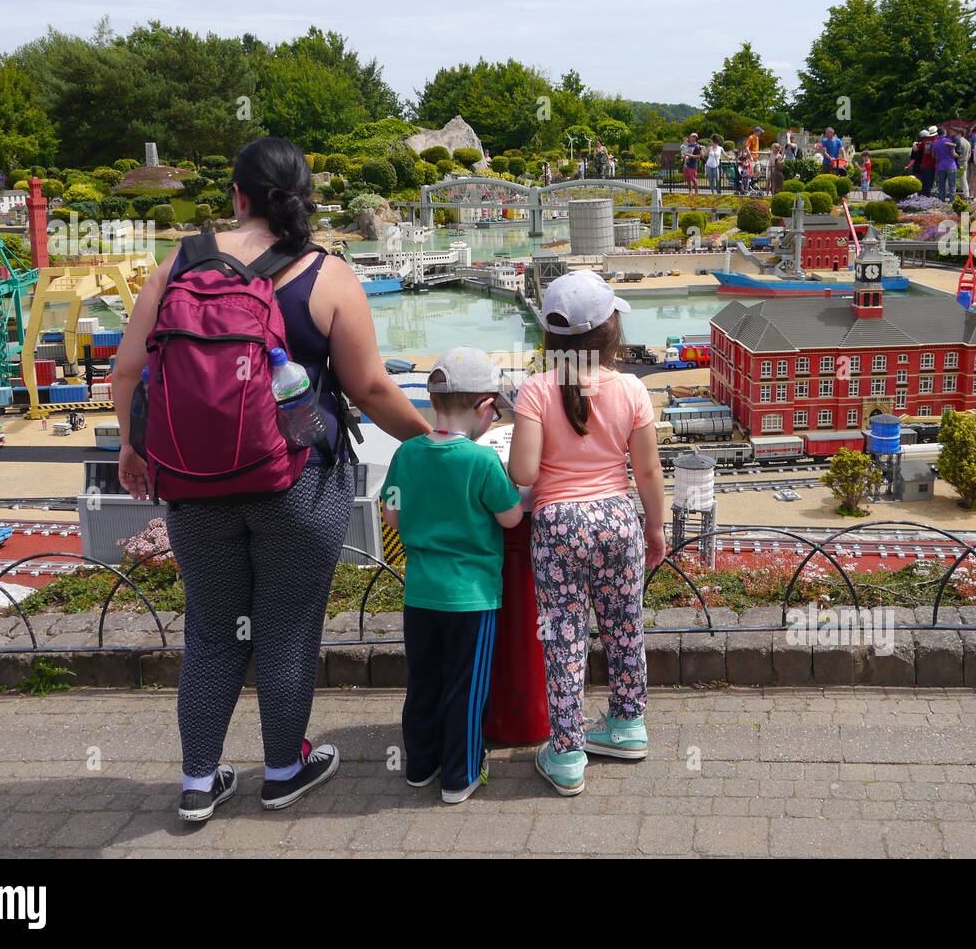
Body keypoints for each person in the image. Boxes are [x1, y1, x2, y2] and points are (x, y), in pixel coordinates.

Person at [112, 136, 431, 822]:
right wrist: (432, 438)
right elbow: (372, 387)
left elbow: (127, 371)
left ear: (237, 195)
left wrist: (132, 447)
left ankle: (199, 782)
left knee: (212, 629)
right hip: (299, 482)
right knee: (287, 630)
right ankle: (284, 770)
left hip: (195, 486)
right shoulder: (328, 274)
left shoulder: (182, 262)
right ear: (304, 198)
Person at [508, 271, 666, 797]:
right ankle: (627, 726)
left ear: (552, 338)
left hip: (558, 527)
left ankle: (568, 752)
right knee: (624, 626)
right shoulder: (632, 388)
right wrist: (656, 528)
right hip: (619, 521)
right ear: (610, 331)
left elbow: (524, 474)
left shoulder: (535, 390)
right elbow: (647, 473)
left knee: (563, 638)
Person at [381, 348, 523, 804]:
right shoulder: (481, 462)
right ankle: (460, 776)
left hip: (420, 593)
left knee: (424, 679)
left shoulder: (406, 454)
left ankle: (420, 766)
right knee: (467, 685)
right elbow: (511, 518)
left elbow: (391, 514)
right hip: (471, 598)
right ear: (485, 408)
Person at [933, 126, 958, 201]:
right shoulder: (949, 141)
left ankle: (941, 200)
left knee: (941, 185)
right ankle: (952, 200)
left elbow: (933, 156)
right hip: (951, 165)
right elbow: (953, 154)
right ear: (944, 132)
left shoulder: (936, 143)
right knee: (952, 185)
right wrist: (960, 156)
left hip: (941, 166)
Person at [919, 125, 938, 198]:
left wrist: (915, 144)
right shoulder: (935, 142)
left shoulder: (925, 141)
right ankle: (927, 198)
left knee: (924, 182)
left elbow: (916, 148)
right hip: (932, 165)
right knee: (929, 183)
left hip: (924, 164)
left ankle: (922, 197)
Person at [954, 127, 972, 198]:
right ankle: (966, 196)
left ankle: (948, 194)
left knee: (952, 180)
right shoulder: (968, 143)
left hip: (956, 164)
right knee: (964, 180)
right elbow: (969, 155)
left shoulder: (957, 141)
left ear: (959, 134)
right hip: (964, 164)